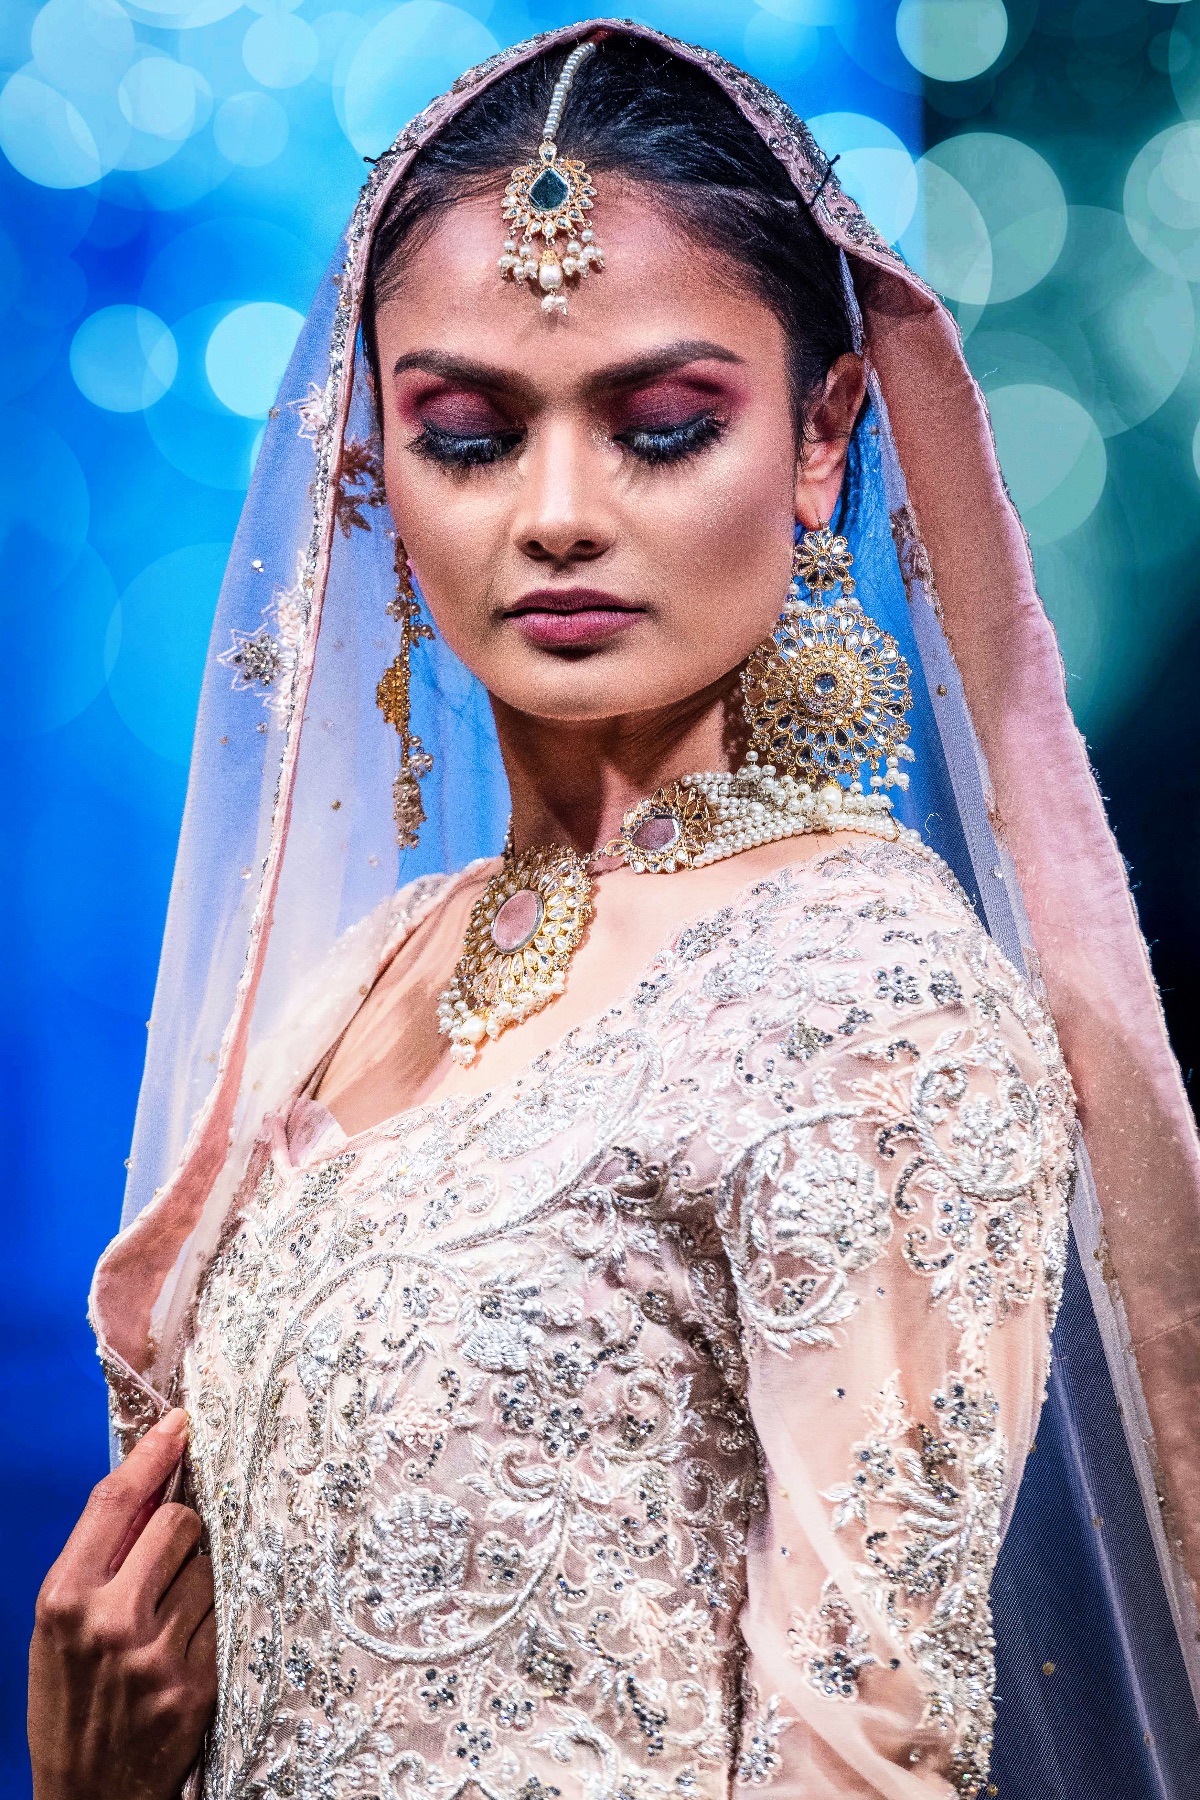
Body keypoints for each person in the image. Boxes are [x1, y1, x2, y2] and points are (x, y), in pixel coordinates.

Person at [29, 23, 1200, 1800]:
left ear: (822, 437)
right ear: (371, 464)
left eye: (661, 430)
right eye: (470, 435)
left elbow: (864, 1753)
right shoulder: (364, 976)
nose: (560, 515)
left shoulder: (867, 995)